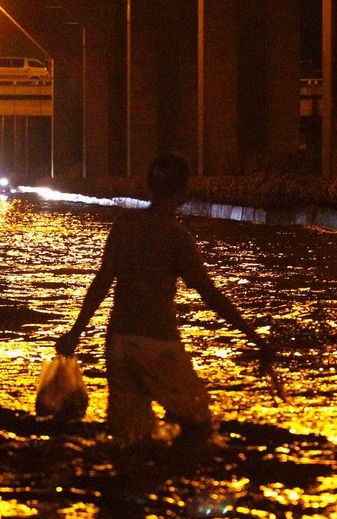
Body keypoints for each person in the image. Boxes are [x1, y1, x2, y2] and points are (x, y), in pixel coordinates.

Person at [56, 152, 274, 446]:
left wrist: (76, 333)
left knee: (128, 438)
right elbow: (209, 294)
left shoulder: (125, 225)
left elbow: (102, 281)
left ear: (150, 186)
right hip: (158, 343)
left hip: (118, 342)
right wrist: (255, 338)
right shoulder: (176, 237)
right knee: (198, 424)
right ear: (184, 192)